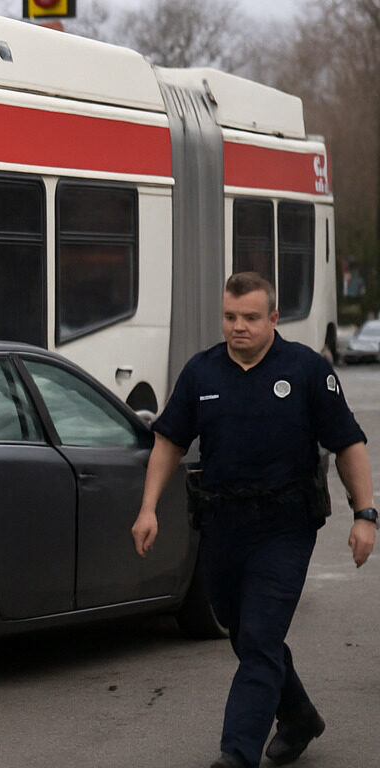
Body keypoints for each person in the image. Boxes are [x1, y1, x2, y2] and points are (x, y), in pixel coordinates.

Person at [131, 272, 375, 768]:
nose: (238, 327)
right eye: (230, 317)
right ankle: (299, 716)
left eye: (249, 318)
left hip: (286, 526)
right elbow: (169, 442)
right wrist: (148, 508)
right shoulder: (201, 373)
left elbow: (347, 443)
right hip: (222, 524)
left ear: (273, 318)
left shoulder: (306, 370)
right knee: (245, 634)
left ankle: (237, 752)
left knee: (260, 636)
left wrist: (365, 514)